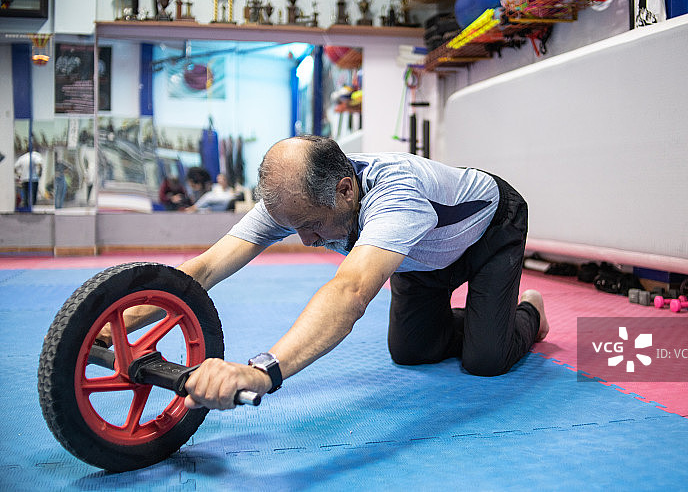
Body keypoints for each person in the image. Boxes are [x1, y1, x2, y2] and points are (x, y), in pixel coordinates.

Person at [102, 135, 548, 409]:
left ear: (346, 188)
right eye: (296, 228)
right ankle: (486, 320)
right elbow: (205, 266)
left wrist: (262, 372)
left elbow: (351, 291)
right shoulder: (298, 198)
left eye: (314, 225)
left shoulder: (397, 195)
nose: (309, 241)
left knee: (486, 361)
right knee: (412, 352)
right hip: (420, 255)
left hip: (487, 234)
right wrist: (113, 327)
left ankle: (527, 312)